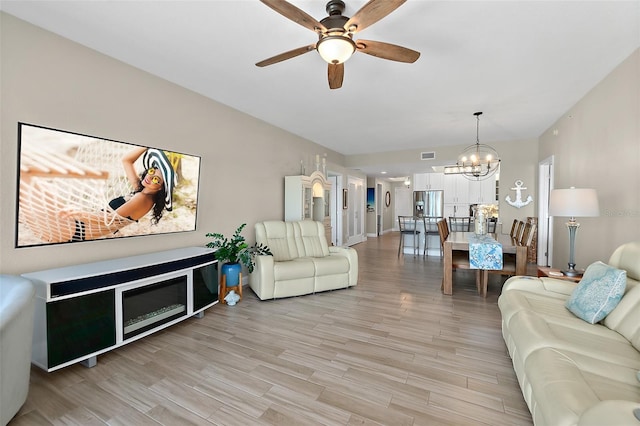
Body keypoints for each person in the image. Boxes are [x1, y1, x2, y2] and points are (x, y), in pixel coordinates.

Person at [61, 146, 177, 241]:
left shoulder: (142, 198)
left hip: (80, 230)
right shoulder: (143, 191)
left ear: (161, 188)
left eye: (156, 179)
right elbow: (127, 161)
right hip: (82, 226)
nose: (150, 177)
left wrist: (79, 214)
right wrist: (148, 145)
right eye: (152, 171)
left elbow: (109, 220)